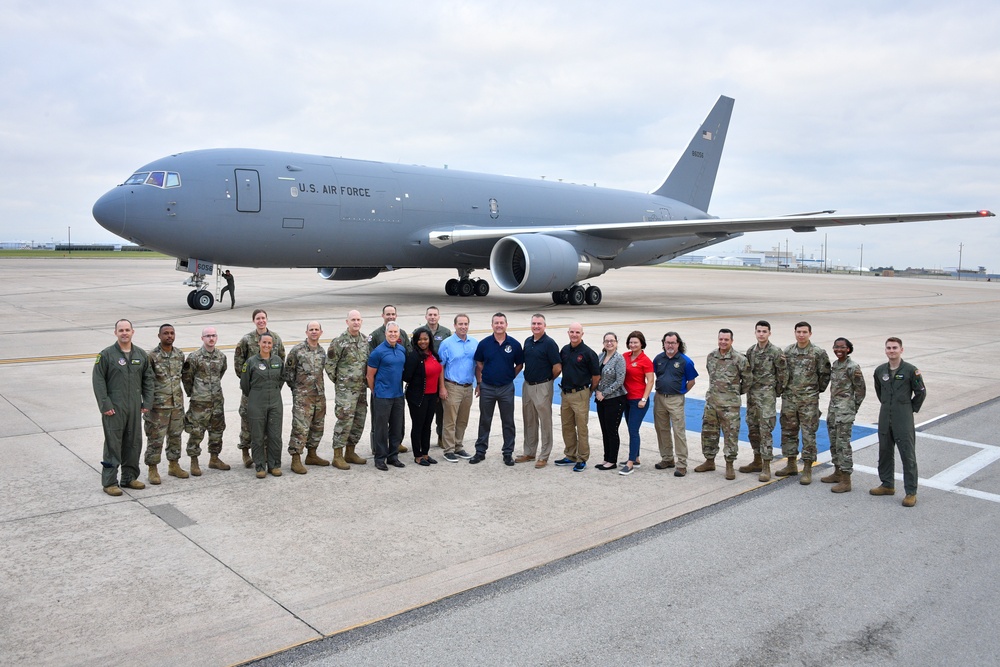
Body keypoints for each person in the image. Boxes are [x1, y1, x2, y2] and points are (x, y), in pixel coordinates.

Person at [92, 319, 154, 496]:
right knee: (113, 445)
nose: (124, 333)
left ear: (133, 332)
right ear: (115, 333)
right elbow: (98, 381)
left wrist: (147, 402)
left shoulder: (141, 355)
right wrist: (105, 405)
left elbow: (148, 380)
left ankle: (129, 477)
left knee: (133, 443)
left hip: (134, 407)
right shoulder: (106, 355)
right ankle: (110, 482)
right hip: (114, 408)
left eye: (127, 330)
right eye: (121, 330)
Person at [871, 337, 926, 507]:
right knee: (884, 452)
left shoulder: (911, 370)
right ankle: (887, 484)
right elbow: (879, 391)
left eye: (895, 347)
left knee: (907, 455)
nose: (891, 350)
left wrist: (908, 409)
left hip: (903, 418)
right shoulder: (880, 371)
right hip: (884, 416)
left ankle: (911, 492)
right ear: (885, 350)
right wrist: (889, 405)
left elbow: (921, 393)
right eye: (888, 348)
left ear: (901, 350)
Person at [776, 321, 831, 484]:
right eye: (798, 332)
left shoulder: (818, 353)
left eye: (804, 332)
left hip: (808, 401)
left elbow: (825, 374)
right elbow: (782, 373)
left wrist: (814, 391)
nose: (801, 335)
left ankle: (807, 468)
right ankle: (791, 464)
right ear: (795, 333)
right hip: (790, 400)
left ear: (810, 334)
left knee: (808, 435)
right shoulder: (788, 351)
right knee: (788, 432)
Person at [697, 329, 751, 480]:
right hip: (712, 403)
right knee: (708, 433)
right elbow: (711, 376)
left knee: (730, 436)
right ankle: (709, 461)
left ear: (731, 341)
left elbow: (747, 381)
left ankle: (729, 465)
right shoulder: (711, 356)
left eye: (726, 340)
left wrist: (733, 393)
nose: (723, 342)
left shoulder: (739, 359)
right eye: (721, 339)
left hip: (730, 405)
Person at [235, 310, 286, 468]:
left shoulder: (276, 338)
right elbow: (239, 363)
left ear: (267, 319)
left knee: (269, 425)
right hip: (252, 389)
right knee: (247, 422)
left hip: (270, 389)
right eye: (258, 318)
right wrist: (250, 383)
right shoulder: (246, 339)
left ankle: (265, 456)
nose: (261, 321)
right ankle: (245, 452)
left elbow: (281, 362)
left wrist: (273, 383)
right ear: (253, 321)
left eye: (263, 318)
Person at [471, 313, 524, 465]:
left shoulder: (514, 344)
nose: (499, 325)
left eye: (501, 323)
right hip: (487, 387)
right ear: (492, 325)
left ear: (506, 324)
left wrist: (509, 376)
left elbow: (519, 364)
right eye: (496, 323)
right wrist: (483, 380)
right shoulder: (484, 344)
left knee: (508, 421)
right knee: (484, 420)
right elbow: (479, 363)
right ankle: (480, 451)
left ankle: (508, 452)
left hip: (506, 388)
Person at [282, 321, 330, 474]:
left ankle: (312, 454)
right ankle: (295, 459)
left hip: (319, 395)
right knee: (300, 428)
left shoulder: (322, 351)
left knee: (317, 426)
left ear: (321, 332)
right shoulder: (297, 350)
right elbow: (288, 373)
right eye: (311, 330)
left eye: (317, 330)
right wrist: (298, 390)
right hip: (303, 397)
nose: (314, 332)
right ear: (306, 332)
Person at [743, 320, 787, 482]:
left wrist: (775, 391)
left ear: (769, 333)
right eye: (759, 331)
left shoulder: (776, 352)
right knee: (753, 429)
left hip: (767, 398)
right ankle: (756, 459)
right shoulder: (750, 351)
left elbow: (783, 374)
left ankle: (766, 465)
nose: (761, 334)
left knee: (765, 431)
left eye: (764, 331)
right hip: (752, 397)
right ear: (755, 333)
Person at [143, 323, 187, 484]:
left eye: (172, 333)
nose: (169, 336)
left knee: (176, 436)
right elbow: (145, 381)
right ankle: (152, 469)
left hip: (176, 405)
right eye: (166, 333)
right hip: (158, 407)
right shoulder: (152, 356)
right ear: (159, 336)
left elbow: (184, 376)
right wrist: (146, 404)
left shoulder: (179, 354)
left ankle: (174, 465)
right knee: (155, 438)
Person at [326, 310, 370, 469]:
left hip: (361, 391)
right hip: (346, 392)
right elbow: (330, 365)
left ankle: (350, 452)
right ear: (347, 322)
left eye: (358, 319)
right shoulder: (339, 342)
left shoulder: (365, 341)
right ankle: (337, 455)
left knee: (359, 420)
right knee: (344, 421)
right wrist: (340, 383)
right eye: (353, 320)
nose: (356, 322)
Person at [182, 326, 228, 476]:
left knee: (217, 431)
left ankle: (214, 458)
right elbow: (187, 378)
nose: (211, 338)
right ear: (202, 338)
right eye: (208, 336)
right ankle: (194, 461)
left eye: (213, 335)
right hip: (199, 403)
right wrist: (195, 393)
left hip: (217, 401)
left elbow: (220, 373)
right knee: (196, 432)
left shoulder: (221, 357)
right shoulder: (194, 357)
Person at [554, 322, 601, 472]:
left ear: (582, 334)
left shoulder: (588, 353)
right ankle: (570, 455)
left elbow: (596, 376)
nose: (574, 335)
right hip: (566, 394)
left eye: (577, 332)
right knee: (567, 426)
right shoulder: (565, 350)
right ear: (568, 333)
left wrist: (588, 392)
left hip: (581, 394)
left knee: (581, 427)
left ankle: (582, 458)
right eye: (572, 332)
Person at [517, 313, 562, 468]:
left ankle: (544, 455)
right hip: (527, 385)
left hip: (542, 386)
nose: (536, 326)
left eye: (539, 324)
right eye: (534, 323)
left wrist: (547, 381)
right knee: (529, 420)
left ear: (544, 326)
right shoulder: (528, 341)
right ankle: (529, 452)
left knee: (545, 422)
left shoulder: (549, 343)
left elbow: (557, 367)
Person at [651, 332, 698, 477]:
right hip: (659, 398)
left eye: (673, 342)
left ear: (678, 344)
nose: (670, 345)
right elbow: (658, 375)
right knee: (661, 429)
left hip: (675, 399)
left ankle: (682, 464)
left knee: (678, 432)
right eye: (667, 342)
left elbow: (691, 381)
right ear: (663, 343)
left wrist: (680, 392)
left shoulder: (686, 361)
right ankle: (667, 458)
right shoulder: (658, 359)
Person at [822, 337, 866, 493]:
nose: (839, 349)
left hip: (845, 412)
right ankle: (837, 472)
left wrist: (852, 409)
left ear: (848, 349)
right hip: (833, 410)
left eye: (842, 347)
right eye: (836, 347)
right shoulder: (835, 365)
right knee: (834, 442)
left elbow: (860, 391)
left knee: (843, 445)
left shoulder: (853, 367)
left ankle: (846, 480)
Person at [369, 304, 410, 453]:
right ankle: (377, 448)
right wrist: (375, 389)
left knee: (397, 420)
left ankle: (395, 445)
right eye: (388, 314)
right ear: (382, 316)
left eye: (393, 314)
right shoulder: (375, 335)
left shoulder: (403, 334)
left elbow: (408, 355)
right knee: (379, 422)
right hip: (381, 388)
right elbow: (370, 365)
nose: (390, 316)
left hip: (397, 388)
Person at [437, 313, 477, 462]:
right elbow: (441, 366)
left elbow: (478, 365)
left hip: (468, 386)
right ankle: (448, 449)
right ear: (454, 326)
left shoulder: (474, 343)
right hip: (452, 386)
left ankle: (458, 446)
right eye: (460, 324)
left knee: (462, 420)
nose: (463, 327)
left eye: (466, 324)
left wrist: (479, 384)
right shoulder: (447, 343)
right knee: (450, 420)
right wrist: (442, 387)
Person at [403, 328, 445, 465]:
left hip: (432, 396)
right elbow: (407, 376)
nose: (423, 342)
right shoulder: (414, 356)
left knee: (427, 426)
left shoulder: (433, 354)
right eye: (420, 339)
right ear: (415, 341)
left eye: (425, 339)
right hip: (418, 397)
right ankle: (418, 455)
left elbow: (439, 371)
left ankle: (425, 453)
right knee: (418, 425)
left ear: (430, 340)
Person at [619, 331, 655, 476]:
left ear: (642, 344)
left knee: (633, 430)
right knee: (631, 428)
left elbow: (650, 381)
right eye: (631, 342)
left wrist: (644, 399)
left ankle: (630, 462)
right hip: (626, 399)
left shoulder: (646, 360)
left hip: (638, 400)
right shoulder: (625, 356)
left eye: (636, 342)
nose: (633, 345)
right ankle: (637, 458)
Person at [419, 306, 451, 446]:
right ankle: (421, 439)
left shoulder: (445, 332)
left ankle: (441, 436)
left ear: (439, 317)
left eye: (435, 315)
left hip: (440, 376)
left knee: (441, 411)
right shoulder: (419, 332)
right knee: (424, 412)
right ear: (426, 317)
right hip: (424, 378)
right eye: (430, 315)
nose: (432, 317)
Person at [594, 332, 626, 471]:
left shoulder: (619, 359)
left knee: (612, 430)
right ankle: (606, 457)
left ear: (616, 342)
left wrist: (604, 393)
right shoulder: (601, 356)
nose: (609, 343)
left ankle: (612, 460)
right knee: (604, 430)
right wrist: (596, 391)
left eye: (612, 341)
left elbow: (620, 380)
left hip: (615, 399)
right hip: (600, 399)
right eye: (607, 341)